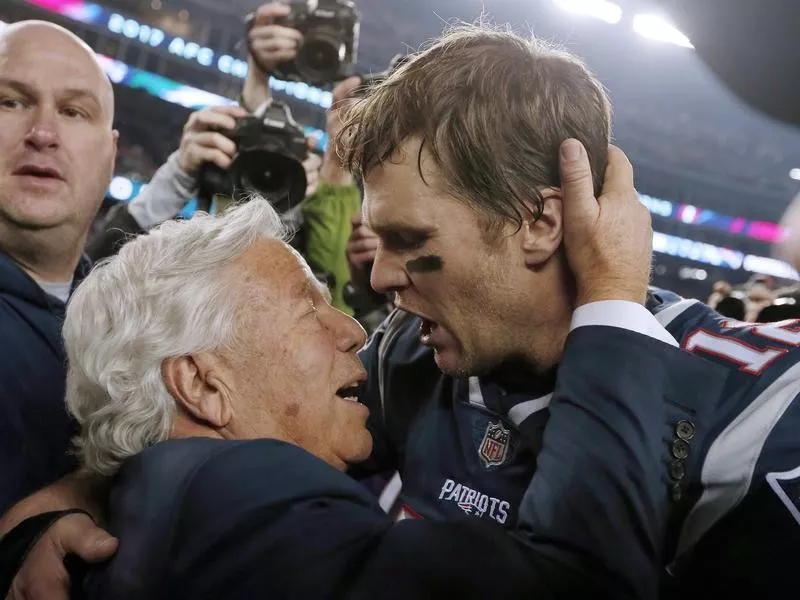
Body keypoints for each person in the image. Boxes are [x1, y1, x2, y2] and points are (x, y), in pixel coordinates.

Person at [24, 180, 720, 599]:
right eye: (307, 308)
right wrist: (612, 299)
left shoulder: (155, 491)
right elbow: (578, 589)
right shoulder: (239, 494)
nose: (354, 331)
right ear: (204, 384)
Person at [336, 25, 800, 598]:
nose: (381, 276)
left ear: (541, 223)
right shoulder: (405, 353)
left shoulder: (764, 414)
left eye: (408, 238)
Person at [0, 20, 118, 513]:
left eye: (73, 111)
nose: (43, 133)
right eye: (10, 102)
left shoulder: (132, 328)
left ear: (110, 154)